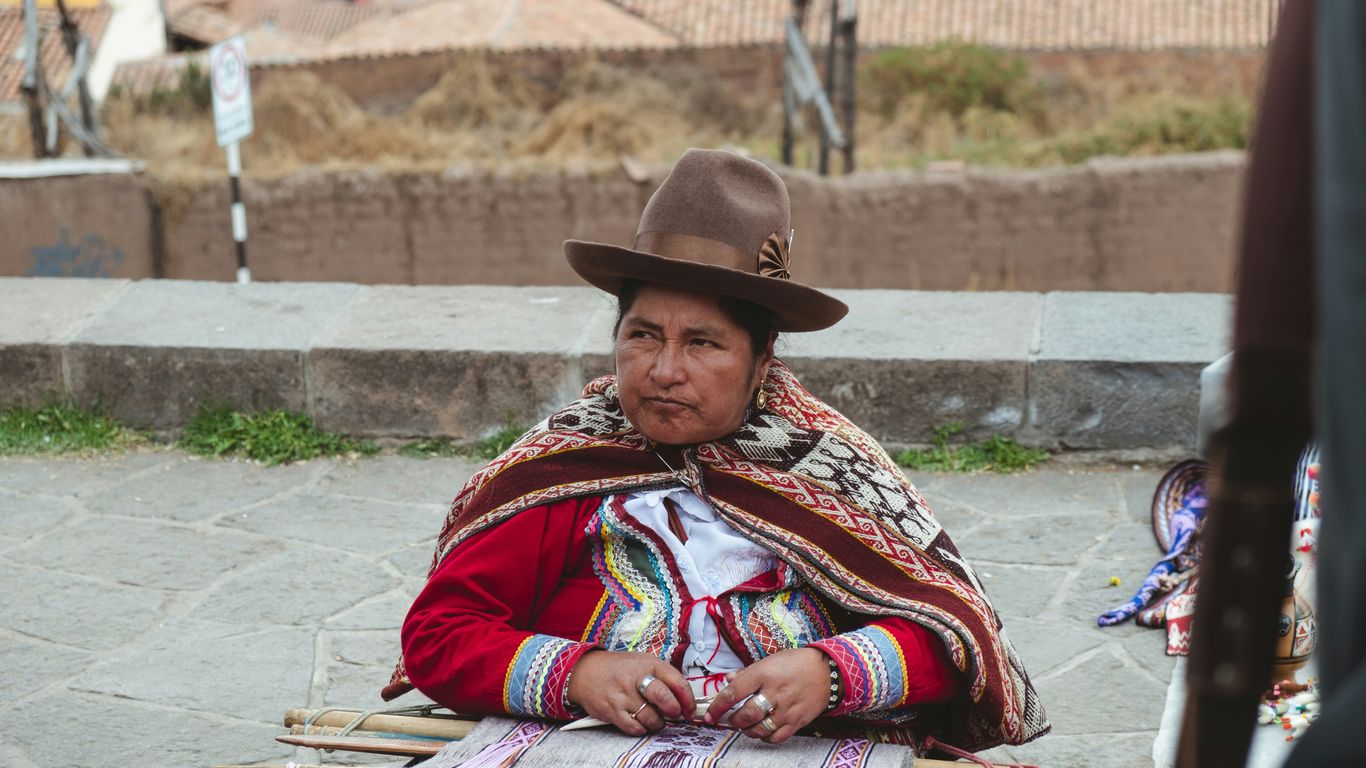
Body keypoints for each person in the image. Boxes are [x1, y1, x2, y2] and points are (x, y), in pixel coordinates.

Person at [382, 149, 1048, 755]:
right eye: (643, 335)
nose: (665, 370)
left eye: (703, 342)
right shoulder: (568, 467)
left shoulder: (834, 470)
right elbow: (439, 636)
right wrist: (580, 673)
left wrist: (831, 673)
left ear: (762, 361)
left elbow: (952, 635)